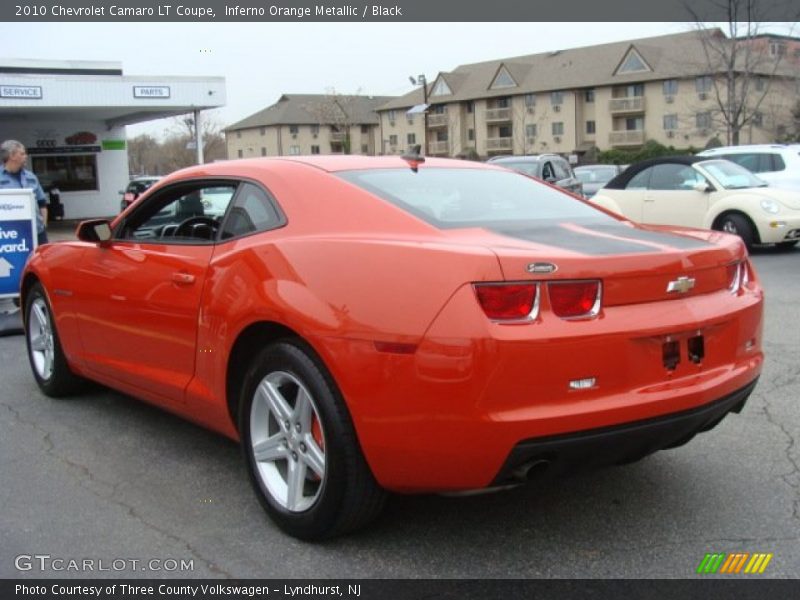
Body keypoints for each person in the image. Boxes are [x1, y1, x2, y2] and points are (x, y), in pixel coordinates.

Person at [0, 140, 49, 244]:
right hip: (10, 234)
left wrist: (43, 225)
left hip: (38, 232)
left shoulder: (30, 176)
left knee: (42, 259)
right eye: (22, 154)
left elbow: (42, 203)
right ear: (11, 156)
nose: (26, 156)